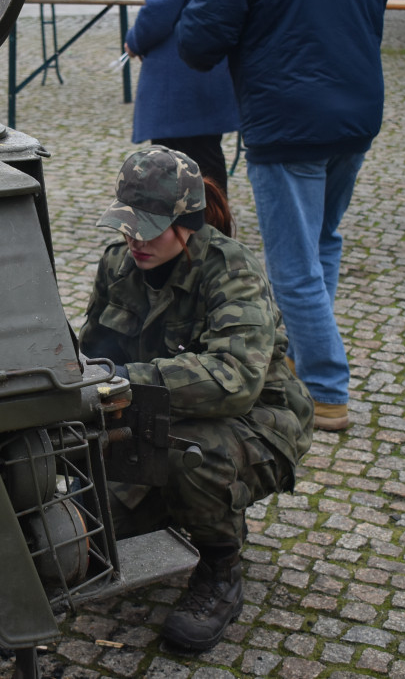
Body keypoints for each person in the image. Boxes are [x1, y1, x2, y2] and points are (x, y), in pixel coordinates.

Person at [80, 145, 313, 651]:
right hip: (153, 414)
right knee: (84, 537)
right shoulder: (119, 264)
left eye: (148, 226)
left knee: (188, 456)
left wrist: (122, 378)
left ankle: (220, 570)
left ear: (187, 223)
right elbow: (92, 353)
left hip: (258, 422)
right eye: (127, 222)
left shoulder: (231, 272)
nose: (133, 238)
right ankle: (179, 508)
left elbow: (235, 381)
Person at [175, 0, 390, 431]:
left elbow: (199, 42)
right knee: (320, 242)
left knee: (295, 267)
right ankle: (300, 356)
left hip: (289, 116)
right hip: (355, 107)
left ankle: (326, 389)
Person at [123, 0, 239, 195]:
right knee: (202, 154)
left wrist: (134, 40)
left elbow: (159, 11)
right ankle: (211, 220)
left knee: (180, 162)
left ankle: (198, 223)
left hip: (181, 72)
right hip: (202, 61)